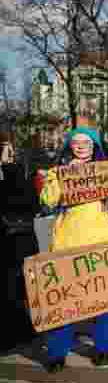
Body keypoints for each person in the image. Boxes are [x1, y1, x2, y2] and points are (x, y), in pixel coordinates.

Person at [39, 127, 108, 371]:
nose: (81, 147)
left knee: (105, 299)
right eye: (76, 143)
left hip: (102, 241)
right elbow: (47, 202)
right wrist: (60, 178)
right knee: (64, 302)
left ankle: (105, 347)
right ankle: (57, 352)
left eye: (86, 143)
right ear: (69, 146)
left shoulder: (105, 173)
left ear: (94, 147)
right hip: (67, 242)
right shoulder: (57, 172)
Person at [1, 134, 41, 351]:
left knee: (18, 288)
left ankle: (20, 332)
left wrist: (9, 167)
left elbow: (30, 203)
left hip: (17, 240)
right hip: (14, 240)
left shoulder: (16, 175)